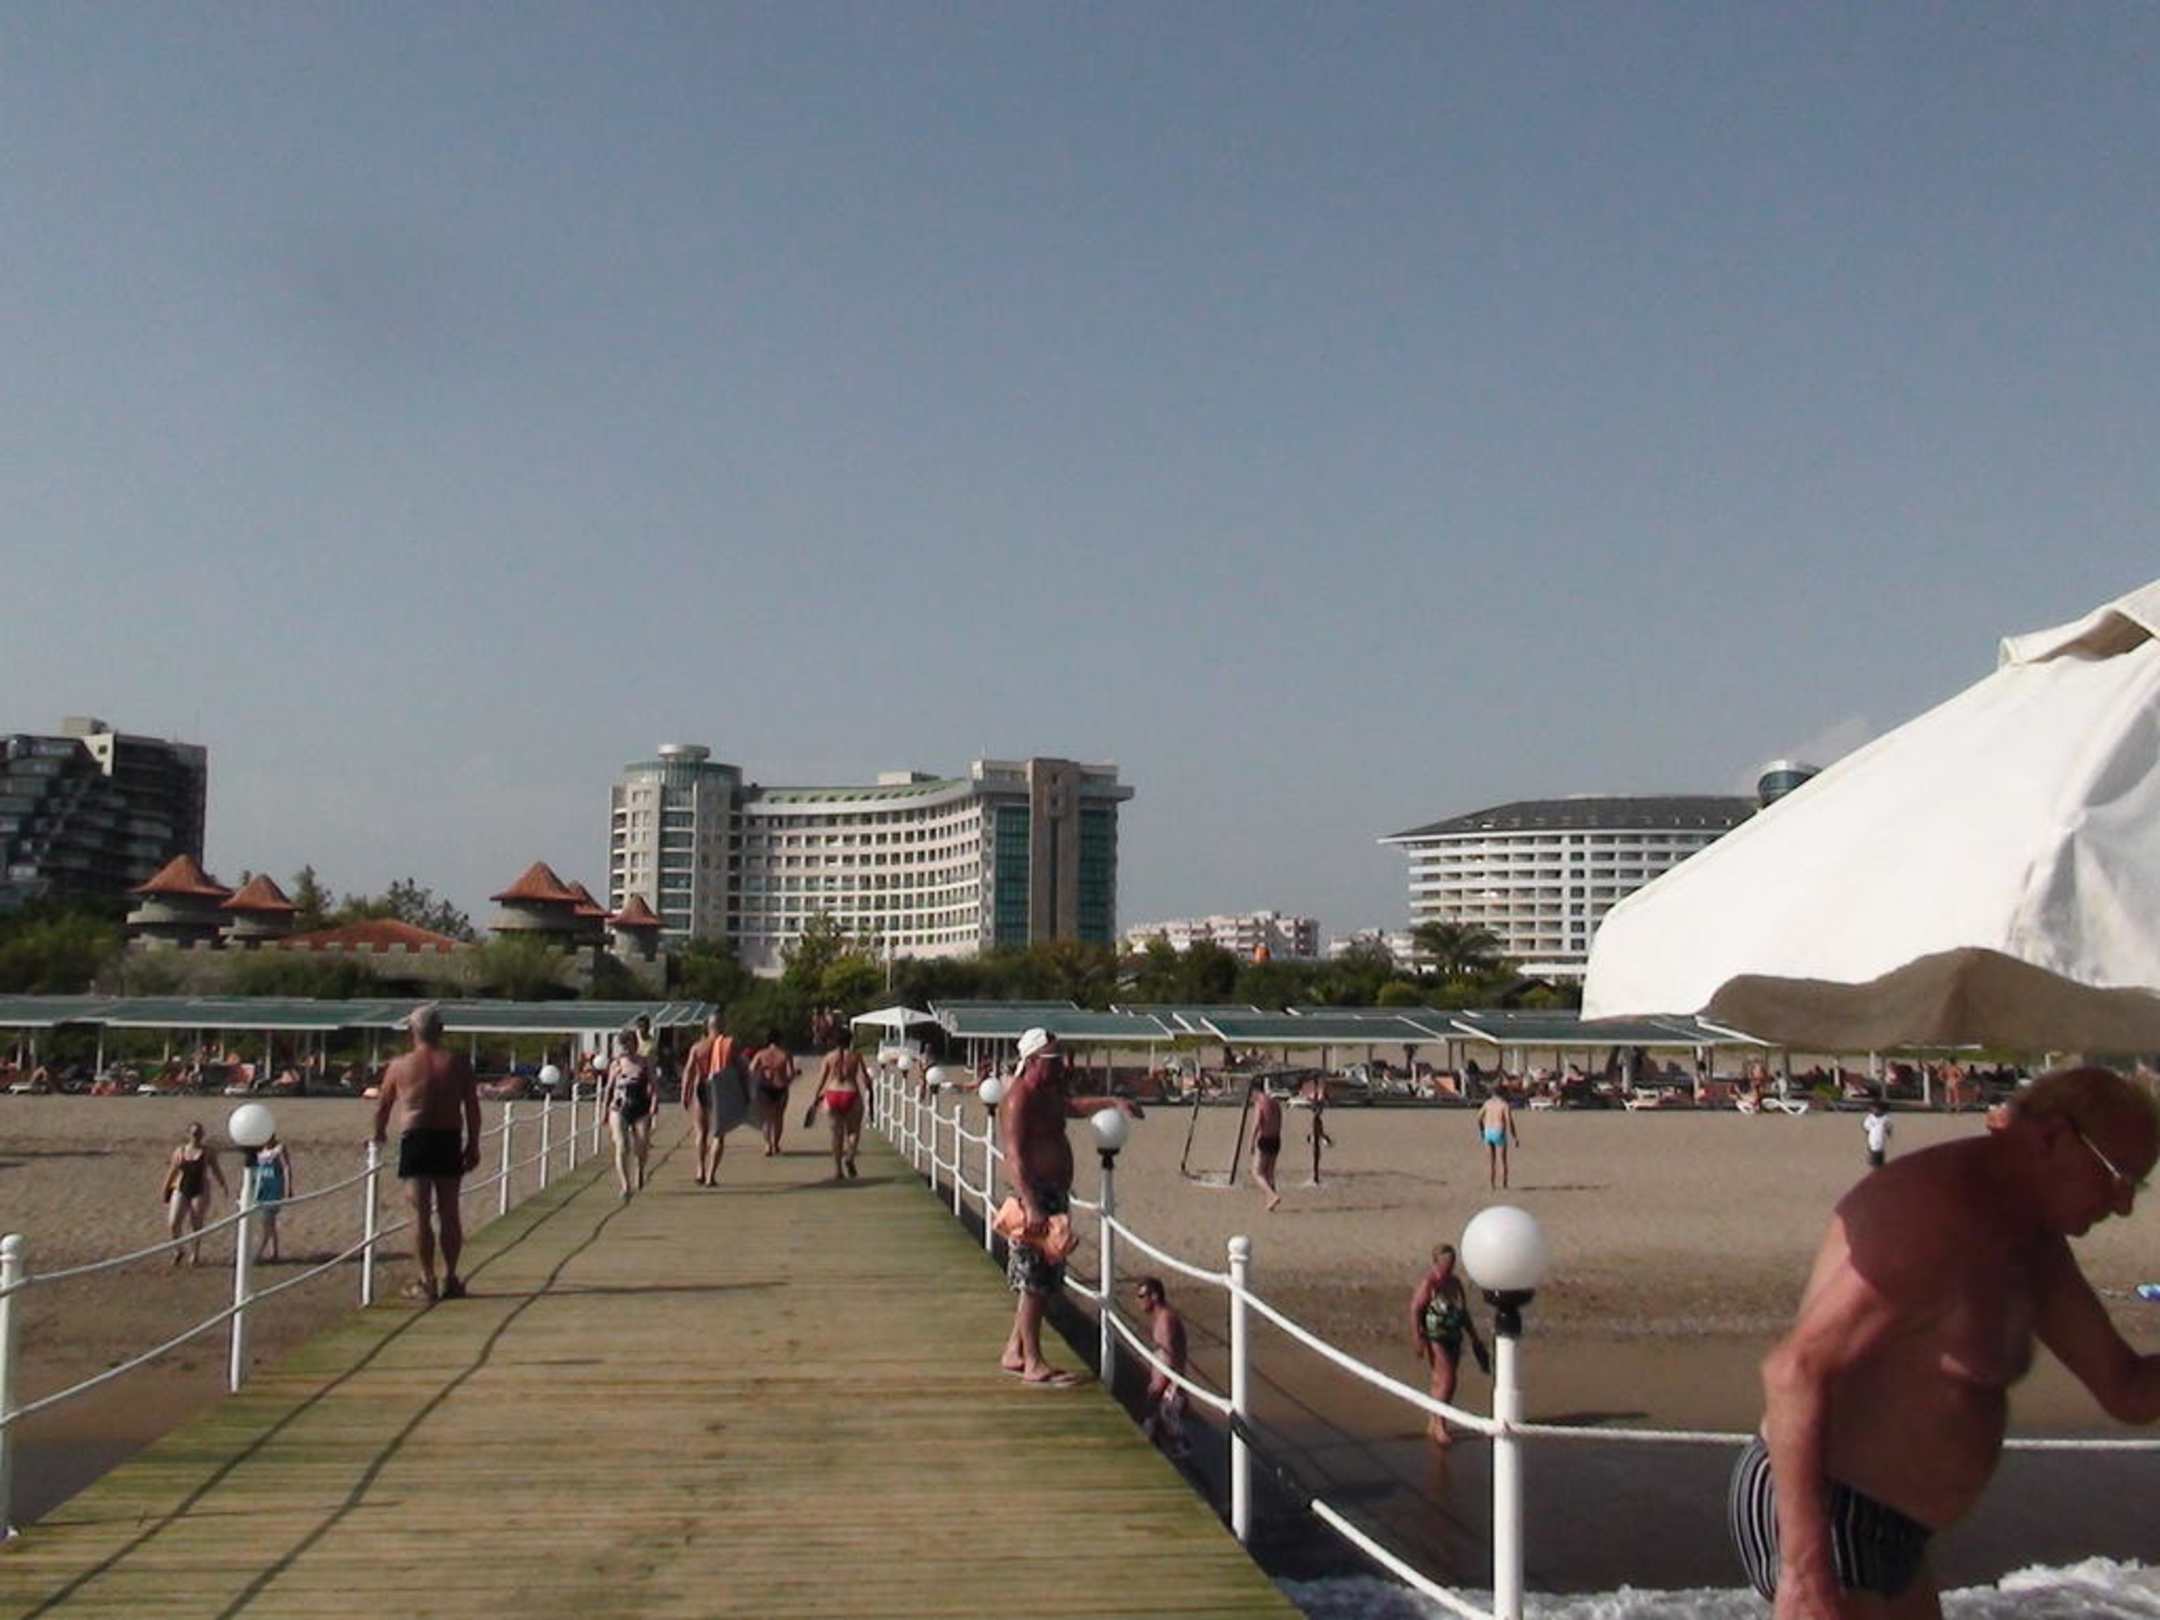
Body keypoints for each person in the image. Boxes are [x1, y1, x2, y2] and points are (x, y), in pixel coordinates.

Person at [1733, 1065, 2160, 1618]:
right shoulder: (1933, 1215)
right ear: (2053, 1137)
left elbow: (2127, 1389)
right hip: (1824, 1511)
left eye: (2138, 1186)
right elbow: (1793, 1372)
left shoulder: (2032, 1238)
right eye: (2118, 1177)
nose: (2124, 1205)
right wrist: (1804, 1572)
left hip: (1894, 1531)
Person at [998, 1027, 1142, 1387]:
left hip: (1053, 1195)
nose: (1062, 1064)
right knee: (1034, 1282)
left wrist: (1111, 1102)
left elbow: (1071, 1107)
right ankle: (1032, 1361)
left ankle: (1015, 1349)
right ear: (1033, 1061)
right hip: (1034, 1197)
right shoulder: (1019, 1098)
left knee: (1044, 1278)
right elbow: (1014, 1155)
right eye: (1054, 1059)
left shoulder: (1047, 1093)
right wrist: (1032, 1204)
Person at [370, 1004, 482, 1303]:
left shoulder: (400, 1065)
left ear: (412, 1031)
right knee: (449, 1211)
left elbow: (383, 1106)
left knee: (419, 1214)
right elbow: (472, 1107)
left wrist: (378, 1134)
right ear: (441, 1031)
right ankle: (451, 1277)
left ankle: (427, 1279)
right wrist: (473, 1143)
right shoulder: (458, 1064)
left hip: (416, 1138)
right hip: (448, 1137)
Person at [1409, 1243, 1489, 1445]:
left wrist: (1474, 1338)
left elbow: (1463, 1313)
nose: (1449, 1266)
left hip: (1453, 1334)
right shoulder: (1429, 1283)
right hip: (1435, 1335)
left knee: (1440, 1380)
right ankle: (1440, 1425)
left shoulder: (1455, 1283)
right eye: (1445, 1263)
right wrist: (1417, 1337)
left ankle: (1433, 1420)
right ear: (1436, 1263)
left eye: (1452, 1263)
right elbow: (1415, 1309)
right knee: (1447, 1379)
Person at [1135, 1276, 1191, 1459]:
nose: (1138, 1302)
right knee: (1159, 1429)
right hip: (1166, 1385)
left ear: (1155, 1296)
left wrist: (1158, 1389)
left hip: (1169, 1388)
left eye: (1142, 1296)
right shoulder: (1161, 1318)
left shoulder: (1166, 1321)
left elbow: (1169, 1359)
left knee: (1165, 1426)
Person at [679, 1013, 737, 1187]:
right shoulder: (729, 1045)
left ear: (707, 1027)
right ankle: (711, 1176)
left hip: (702, 1087)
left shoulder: (698, 1047)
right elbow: (739, 1069)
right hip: (720, 1089)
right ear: (723, 1025)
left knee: (701, 1132)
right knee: (719, 1134)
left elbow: (689, 1071)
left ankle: (700, 1170)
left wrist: (685, 1093)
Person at [161, 1121, 230, 1266]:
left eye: (199, 1133)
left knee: (196, 1222)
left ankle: (195, 1254)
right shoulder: (180, 1151)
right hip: (181, 1187)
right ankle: (178, 1249)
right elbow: (173, 1171)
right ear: (188, 1134)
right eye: (194, 1133)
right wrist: (166, 1188)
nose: (196, 1136)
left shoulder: (208, 1152)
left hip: (200, 1189)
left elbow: (216, 1169)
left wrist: (223, 1184)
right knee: (173, 1222)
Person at [603, 1028, 658, 1200]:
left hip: (641, 1106)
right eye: (623, 1046)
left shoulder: (644, 1062)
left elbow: (654, 1085)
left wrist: (654, 1103)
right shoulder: (616, 1064)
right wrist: (604, 1111)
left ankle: (640, 1169)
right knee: (622, 1145)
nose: (626, 1049)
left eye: (628, 1045)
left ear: (635, 1044)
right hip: (619, 1107)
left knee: (641, 1145)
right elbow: (609, 1088)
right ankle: (625, 1185)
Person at [806, 1043, 872, 1180]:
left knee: (836, 1135)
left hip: (833, 1093)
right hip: (851, 1092)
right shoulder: (856, 1056)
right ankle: (850, 1156)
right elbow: (865, 1077)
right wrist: (870, 1089)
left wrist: (816, 1097)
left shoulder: (829, 1057)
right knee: (853, 1131)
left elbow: (822, 1079)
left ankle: (838, 1171)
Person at [253, 1133, 296, 1262]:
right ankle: (274, 1252)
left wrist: (288, 1187)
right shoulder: (259, 1150)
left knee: (267, 1220)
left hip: (274, 1189)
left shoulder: (279, 1149)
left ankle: (259, 1253)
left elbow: (286, 1168)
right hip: (262, 1189)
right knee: (268, 1222)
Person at [1249, 1080, 1284, 1212]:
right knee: (1269, 1173)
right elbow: (1280, 1121)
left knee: (1257, 1172)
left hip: (1265, 1139)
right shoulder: (1274, 1102)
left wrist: (1251, 1141)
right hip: (1276, 1139)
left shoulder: (1260, 1102)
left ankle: (1272, 1195)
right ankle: (1271, 1202)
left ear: (1254, 1091)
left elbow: (1257, 1123)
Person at [1478, 1090, 1519, 1189]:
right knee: (1502, 1160)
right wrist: (1514, 1136)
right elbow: (1509, 1121)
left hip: (1488, 1131)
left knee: (1491, 1162)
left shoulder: (1487, 1103)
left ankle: (1491, 1184)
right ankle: (1504, 1184)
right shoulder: (1504, 1105)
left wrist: (1482, 1130)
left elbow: (1479, 1117)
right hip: (1498, 1131)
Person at [1304, 1073, 1334, 1188]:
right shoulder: (1315, 1092)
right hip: (1315, 1118)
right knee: (1316, 1151)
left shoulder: (1316, 1091)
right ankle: (1315, 1176)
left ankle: (1315, 1175)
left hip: (1316, 1118)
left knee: (1316, 1151)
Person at [1863, 1098, 1893, 1171]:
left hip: (1881, 1140)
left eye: (1876, 1109)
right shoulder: (1870, 1118)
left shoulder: (1886, 1118)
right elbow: (1867, 1129)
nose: (1874, 1110)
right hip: (1872, 1140)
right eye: (1873, 1108)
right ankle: (1874, 1165)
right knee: (1873, 1152)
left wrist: (1889, 1134)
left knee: (1879, 1154)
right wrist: (1867, 1139)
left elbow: (1888, 1127)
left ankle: (1879, 1166)